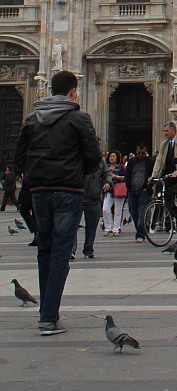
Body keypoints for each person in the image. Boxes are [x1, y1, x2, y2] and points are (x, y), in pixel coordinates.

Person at [14, 70, 101, 335]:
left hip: (40, 190)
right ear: (73, 91)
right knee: (61, 252)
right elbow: (94, 156)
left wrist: (33, 177)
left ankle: (46, 314)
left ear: (50, 90)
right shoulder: (78, 118)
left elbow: (18, 157)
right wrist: (76, 174)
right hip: (68, 191)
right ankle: (48, 317)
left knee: (45, 249)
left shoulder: (32, 118)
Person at [74, 144, 111, 259]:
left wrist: (108, 183)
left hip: (94, 198)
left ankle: (88, 249)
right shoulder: (77, 159)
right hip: (78, 196)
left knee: (91, 226)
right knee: (72, 225)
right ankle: (71, 250)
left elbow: (107, 174)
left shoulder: (100, 162)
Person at [125, 143, 154, 242]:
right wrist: (129, 188)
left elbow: (153, 175)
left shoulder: (150, 162)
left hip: (144, 191)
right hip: (132, 191)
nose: (140, 155)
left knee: (142, 213)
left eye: (142, 153)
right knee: (133, 212)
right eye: (138, 153)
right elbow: (127, 175)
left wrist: (148, 188)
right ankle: (141, 229)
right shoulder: (132, 162)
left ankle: (140, 234)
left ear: (146, 153)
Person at [102, 151, 126, 236]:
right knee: (105, 209)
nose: (112, 158)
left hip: (118, 189)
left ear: (117, 158)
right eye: (110, 156)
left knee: (118, 210)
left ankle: (116, 228)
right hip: (109, 190)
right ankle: (107, 227)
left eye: (114, 156)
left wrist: (117, 177)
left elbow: (126, 177)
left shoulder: (120, 167)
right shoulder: (106, 167)